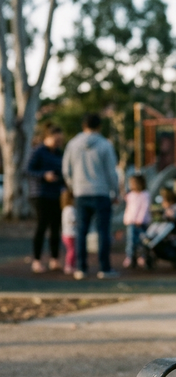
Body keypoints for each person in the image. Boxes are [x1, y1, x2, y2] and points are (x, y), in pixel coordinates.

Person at [62, 113, 120, 280]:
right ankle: (105, 268)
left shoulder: (73, 144)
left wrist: (73, 186)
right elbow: (111, 172)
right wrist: (115, 191)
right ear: (99, 126)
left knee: (81, 231)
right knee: (103, 231)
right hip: (101, 192)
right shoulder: (104, 145)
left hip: (80, 192)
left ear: (83, 125)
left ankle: (81, 268)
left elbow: (66, 169)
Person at [27, 124, 65, 273]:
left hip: (56, 194)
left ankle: (54, 259)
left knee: (56, 227)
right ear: (47, 138)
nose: (58, 143)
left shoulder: (59, 154)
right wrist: (44, 175)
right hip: (40, 194)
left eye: (60, 140)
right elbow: (28, 170)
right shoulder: (38, 152)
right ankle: (36, 260)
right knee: (42, 226)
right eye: (56, 140)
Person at [123, 174, 151, 268]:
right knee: (130, 240)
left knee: (142, 241)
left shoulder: (145, 195)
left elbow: (144, 208)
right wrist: (126, 218)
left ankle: (142, 256)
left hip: (141, 222)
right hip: (131, 222)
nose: (131, 185)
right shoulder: (130, 195)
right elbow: (128, 208)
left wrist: (140, 219)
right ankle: (130, 256)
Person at [60, 188, 77, 275]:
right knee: (72, 251)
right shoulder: (71, 209)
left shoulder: (65, 209)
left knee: (71, 250)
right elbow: (73, 221)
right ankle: (69, 266)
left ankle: (71, 265)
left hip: (66, 234)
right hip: (70, 234)